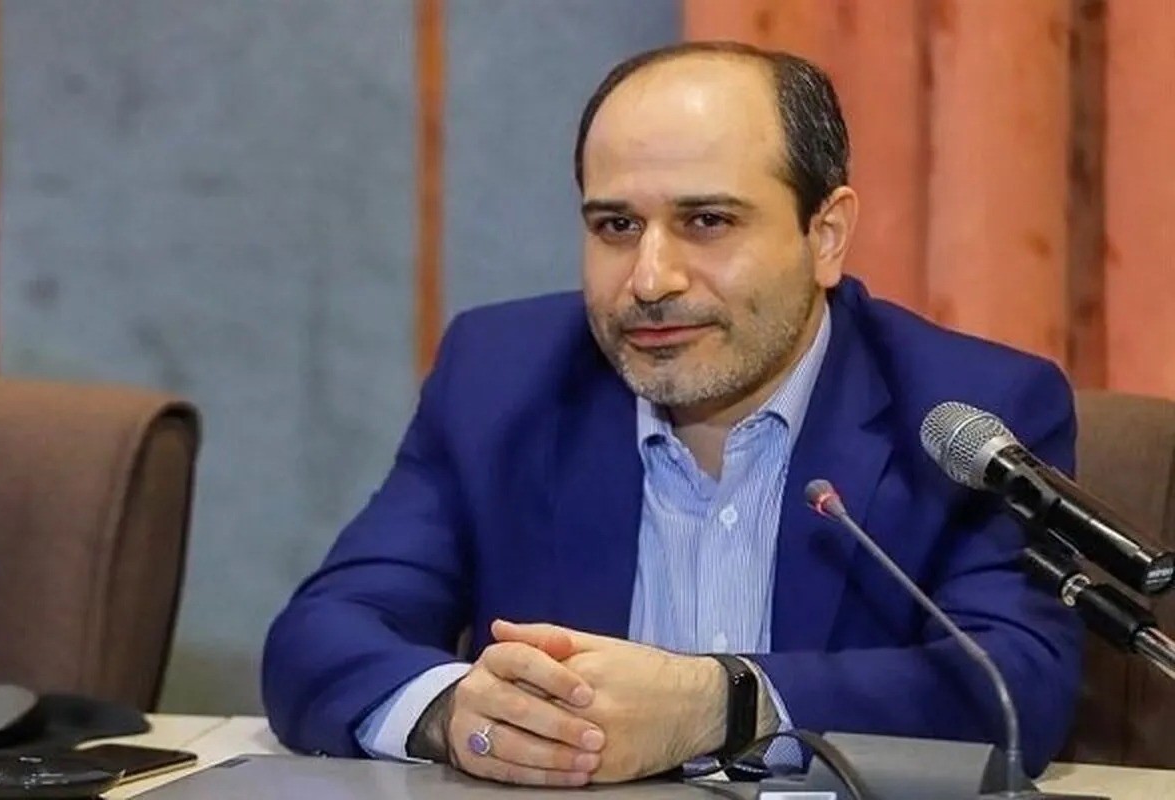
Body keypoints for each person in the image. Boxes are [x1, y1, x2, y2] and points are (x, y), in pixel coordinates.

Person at [261, 41, 1083, 787]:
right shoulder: (499, 379)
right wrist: (454, 714)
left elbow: (1016, 686)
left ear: (826, 235)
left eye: (707, 221)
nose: (651, 279)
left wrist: (723, 704)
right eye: (617, 226)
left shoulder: (965, 411)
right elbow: (322, 634)